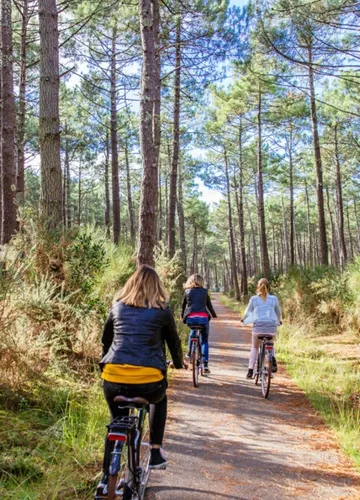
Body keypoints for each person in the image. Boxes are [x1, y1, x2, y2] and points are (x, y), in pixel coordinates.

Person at [98, 265, 185, 490]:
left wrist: (105, 363)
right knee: (161, 398)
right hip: (149, 381)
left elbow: (106, 340)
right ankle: (155, 451)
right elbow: (173, 342)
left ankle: (107, 475)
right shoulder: (162, 310)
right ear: (157, 287)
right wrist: (178, 363)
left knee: (116, 421)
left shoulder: (117, 307)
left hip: (113, 378)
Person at [241, 278, 282, 379]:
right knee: (271, 344)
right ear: (269, 287)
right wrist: (279, 320)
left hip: (258, 327)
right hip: (271, 327)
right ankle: (272, 358)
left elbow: (248, 312)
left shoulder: (254, 299)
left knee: (255, 347)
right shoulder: (274, 298)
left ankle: (250, 370)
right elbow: (278, 312)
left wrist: (243, 319)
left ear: (257, 287)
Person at [181, 273, 217, 374]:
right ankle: (205, 364)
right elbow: (209, 306)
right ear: (201, 282)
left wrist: (182, 316)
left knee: (193, 330)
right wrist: (214, 315)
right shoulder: (205, 292)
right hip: (203, 319)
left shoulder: (187, 291)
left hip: (190, 319)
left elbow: (183, 306)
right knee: (204, 340)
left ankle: (189, 352)